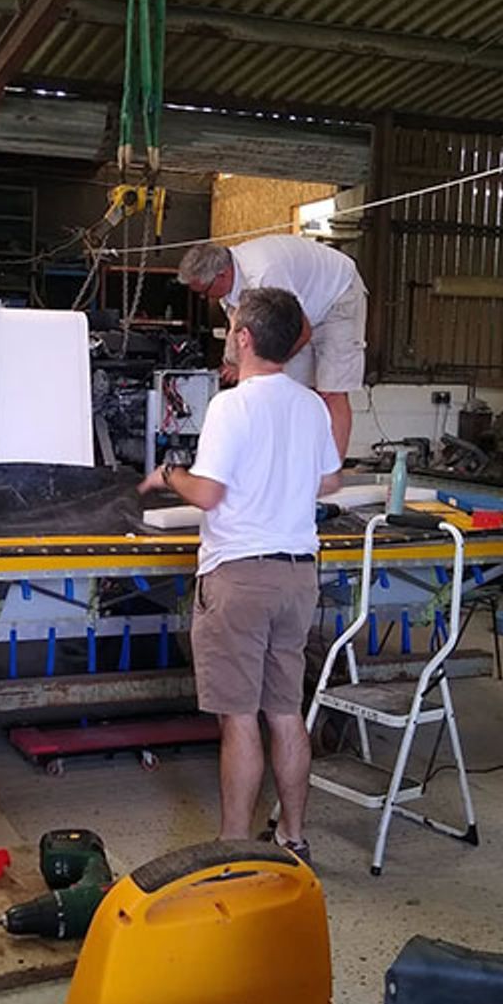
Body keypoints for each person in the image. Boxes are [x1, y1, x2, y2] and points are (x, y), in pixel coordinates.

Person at [138, 287, 343, 863]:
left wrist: (168, 475)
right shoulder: (309, 404)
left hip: (241, 576)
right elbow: (331, 482)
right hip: (299, 576)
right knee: (284, 711)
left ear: (245, 339)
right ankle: (292, 838)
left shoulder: (231, 405)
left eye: (232, 328)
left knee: (239, 719)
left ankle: (232, 848)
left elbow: (208, 493)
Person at [178, 235, 366, 461]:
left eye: (205, 291)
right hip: (302, 308)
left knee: (331, 390)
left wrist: (261, 369)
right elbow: (238, 328)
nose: (204, 297)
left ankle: (330, 472)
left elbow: (302, 331)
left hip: (337, 296)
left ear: (222, 274)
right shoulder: (228, 286)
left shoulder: (265, 274)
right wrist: (232, 364)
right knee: (287, 387)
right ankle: (291, 461)